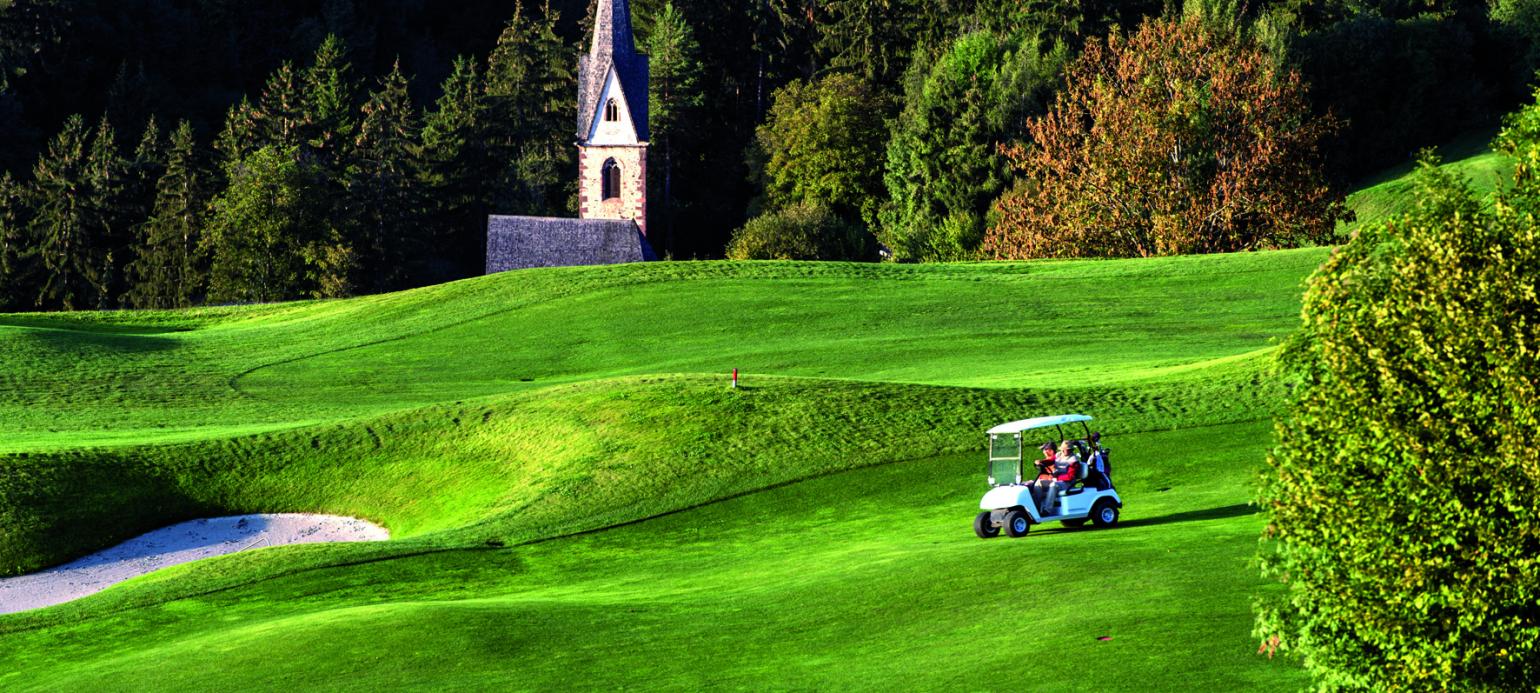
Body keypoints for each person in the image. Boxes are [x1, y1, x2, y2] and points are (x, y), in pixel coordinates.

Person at [1038, 440, 1081, 516]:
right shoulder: (1058, 455)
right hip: (1058, 480)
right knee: (1039, 483)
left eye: (1067, 449)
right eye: (1063, 449)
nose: (1065, 451)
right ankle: (1037, 506)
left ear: (1071, 450)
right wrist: (1041, 462)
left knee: (1053, 485)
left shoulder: (1073, 460)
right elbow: (1050, 461)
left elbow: (1070, 477)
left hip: (1067, 483)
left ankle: (1047, 510)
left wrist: (1057, 477)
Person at [1028, 443, 1056, 509]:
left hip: (1053, 481)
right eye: (1043, 450)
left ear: (1051, 450)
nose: (1044, 452)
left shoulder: (1055, 459)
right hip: (1046, 481)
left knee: (1038, 483)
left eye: (1045, 449)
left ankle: (1037, 507)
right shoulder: (1048, 460)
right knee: (1027, 483)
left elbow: (1052, 473)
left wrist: (1041, 462)